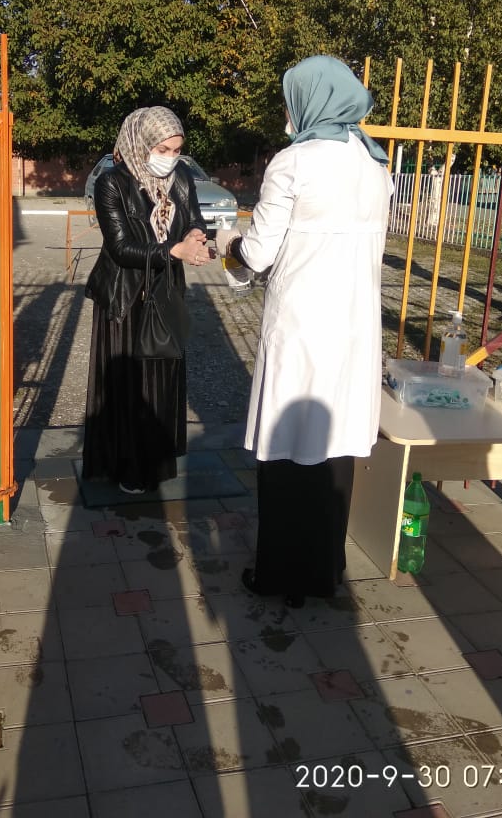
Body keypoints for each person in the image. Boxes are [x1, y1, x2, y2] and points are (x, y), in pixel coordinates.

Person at [218, 55, 393, 606]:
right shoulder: (374, 163)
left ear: (310, 100)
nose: (287, 113)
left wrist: (227, 246)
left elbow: (258, 253)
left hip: (302, 322)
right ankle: (325, 571)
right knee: (335, 447)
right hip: (354, 325)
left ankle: (279, 575)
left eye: (290, 101)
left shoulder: (293, 162)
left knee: (287, 445)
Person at [83, 106, 212, 494]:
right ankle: (126, 467)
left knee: (163, 380)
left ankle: (155, 462)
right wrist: (173, 250)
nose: (170, 158)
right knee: (129, 387)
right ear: (140, 145)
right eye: (162, 149)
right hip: (125, 297)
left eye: (177, 150)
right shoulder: (112, 183)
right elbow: (121, 248)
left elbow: (195, 219)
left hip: (165, 291)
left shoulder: (181, 177)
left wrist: (195, 236)